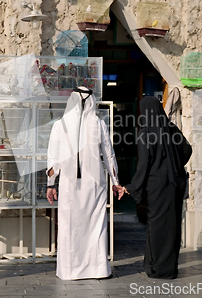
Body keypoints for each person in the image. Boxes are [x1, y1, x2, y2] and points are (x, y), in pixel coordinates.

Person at [46, 86, 124, 280]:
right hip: (94, 184)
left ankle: (70, 271)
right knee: (95, 225)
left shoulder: (60, 125)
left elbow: (53, 158)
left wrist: (50, 183)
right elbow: (109, 155)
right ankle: (97, 270)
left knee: (70, 226)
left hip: (70, 185)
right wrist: (115, 182)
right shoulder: (99, 124)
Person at [123, 96, 192, 279]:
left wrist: (132, 186)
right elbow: (188, 149)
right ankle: (169, 268)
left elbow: (144, 165)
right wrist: (174, 165)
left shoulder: (146, 133)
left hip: (157, 186)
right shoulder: (171, 129)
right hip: (175, 183)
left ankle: (156, 268)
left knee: (157, 226)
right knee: (172, 226)